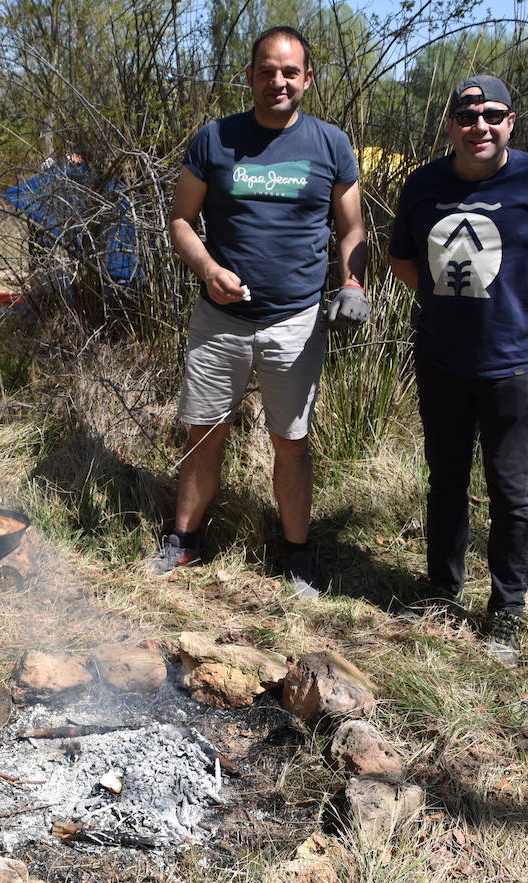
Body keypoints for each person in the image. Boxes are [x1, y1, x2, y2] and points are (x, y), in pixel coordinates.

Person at [149, 26, 367, 598]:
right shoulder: (216, 139)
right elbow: (180, 221)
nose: (278, 81)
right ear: (249, 76)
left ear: (307, 79)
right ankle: (183, 542)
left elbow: (352, 229)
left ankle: (296, 556)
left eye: (290, 72)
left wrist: (353, 283)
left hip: (295, 320)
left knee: (291, 441)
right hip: (220, 318)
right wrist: (207, 270)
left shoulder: (330, 145)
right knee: (204, 432)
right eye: (267, 71)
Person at [387, 75, 528, 664]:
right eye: (465, 117)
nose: (478, 126)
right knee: (446, 479)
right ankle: (441, 587)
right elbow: (403, 259)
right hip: (442, 359)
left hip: (514, 364)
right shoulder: (424, 184)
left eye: (492, 116)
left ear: (509, 123)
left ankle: (505, 611)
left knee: (511, 490)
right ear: (451, 125)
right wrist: (442, 304)